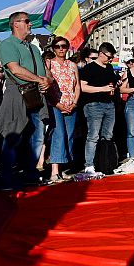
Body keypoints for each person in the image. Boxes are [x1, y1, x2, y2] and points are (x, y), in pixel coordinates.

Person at [0, 12, 52, 189]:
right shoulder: (7, 44)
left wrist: (47, 81)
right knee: (13, 135)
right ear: (15, 24)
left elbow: (45, 71)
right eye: (26, 21)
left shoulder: (34, 48)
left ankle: (30, 173)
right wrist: (40, 79)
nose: (30, 24)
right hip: (18, 93)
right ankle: (6, 178)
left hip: (37, 94)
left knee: (36, 137)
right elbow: (15, 69)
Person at [79, 41, 119, 175]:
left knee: (108, 136)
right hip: (94, 105)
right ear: (101, 54)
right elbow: (82, 87)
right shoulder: (89, 68)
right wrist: (102, 89)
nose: (110, 59)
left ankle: (105, 162)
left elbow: (112, 83)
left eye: (112, 57)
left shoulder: (109, 68)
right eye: (109, 57)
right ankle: (89, 164)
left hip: (109, 104)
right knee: (93, 136)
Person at [46, 36, 80, 183]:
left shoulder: (72, 65)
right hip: (55, 105)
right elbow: (46, 86)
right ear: (53, 48)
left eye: (64, 46)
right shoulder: (49, 64)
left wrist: (74, 103)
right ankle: (54, 171)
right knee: (58, 134)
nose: (61, 49)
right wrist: (57, 104)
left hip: (71, 105)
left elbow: (77, 85)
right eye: (58, 46)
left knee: (69, 136)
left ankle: (62, 169)